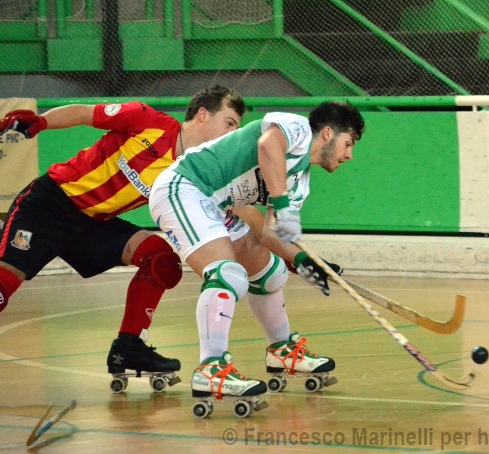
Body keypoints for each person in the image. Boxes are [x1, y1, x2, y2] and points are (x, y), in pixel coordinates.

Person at [0, 85, 245, 379]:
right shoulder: (146, 119)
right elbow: (84, 113)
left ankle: (128, 348)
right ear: (202, 115)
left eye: (237, 128)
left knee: (160, 260)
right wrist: (41, 121)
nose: (233, 134)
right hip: (49, 205)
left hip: (94, 224)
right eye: (229, 123)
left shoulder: (194, 172)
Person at [149, 101, 365, 398]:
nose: (349, 155)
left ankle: (282, 350)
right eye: (348, 143)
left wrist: (304, 260)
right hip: (184, 187)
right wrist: (281, 203)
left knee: (270, 273)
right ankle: (211, 369)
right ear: (327, 133)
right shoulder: (297, 128)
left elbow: (271, 233)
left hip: (215, 205)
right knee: (227, 274)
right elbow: (267, 145)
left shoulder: (300, 183)